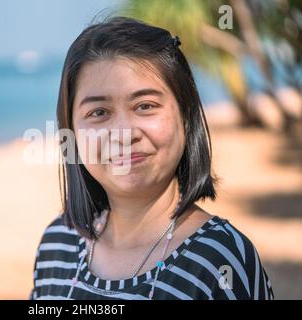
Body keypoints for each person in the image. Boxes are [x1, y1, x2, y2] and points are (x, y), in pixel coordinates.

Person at [29, 16, 273, 300]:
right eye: (99, 113)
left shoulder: (219, 259)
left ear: (186, 115)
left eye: (145, 106)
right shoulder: (57, 244)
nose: (123, 134)